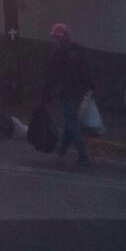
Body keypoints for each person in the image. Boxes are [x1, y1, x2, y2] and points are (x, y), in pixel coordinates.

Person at [42, 23, 95, 165]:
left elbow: (51, 75)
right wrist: (92, 87)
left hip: (66, 91)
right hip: (81, 90)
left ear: (59, 37)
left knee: (71, 121)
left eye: (55, 36)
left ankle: (83, 155)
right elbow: (87, 69)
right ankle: (61, 150)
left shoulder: (58, 52)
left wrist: (46, 94)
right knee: (71, 119)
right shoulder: (79, 49)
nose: (54, 39)